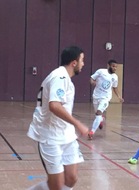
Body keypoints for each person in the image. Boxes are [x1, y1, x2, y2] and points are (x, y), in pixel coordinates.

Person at [27, 46, 89, 190]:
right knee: (57, 185)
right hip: (50, 136)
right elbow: (54, 106)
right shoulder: (59, 77)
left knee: (71, 178)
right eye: (82, 60)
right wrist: (77, 123)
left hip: (66, 134)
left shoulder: (65, 78)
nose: (83, 64)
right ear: (74, 63)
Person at [88, 59, 124, 140]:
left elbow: (115, 88)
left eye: (116, 67)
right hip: (96, 96)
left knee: (98, 113)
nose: (115, 68)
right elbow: (92, 78)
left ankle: (92, 132)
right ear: (109, 65)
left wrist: (119, 97)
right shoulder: (101, 71)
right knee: (97, 114)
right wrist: (92, 82)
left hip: (105, 98)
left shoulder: (115, 77)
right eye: (113, 66)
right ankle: (100, 120)